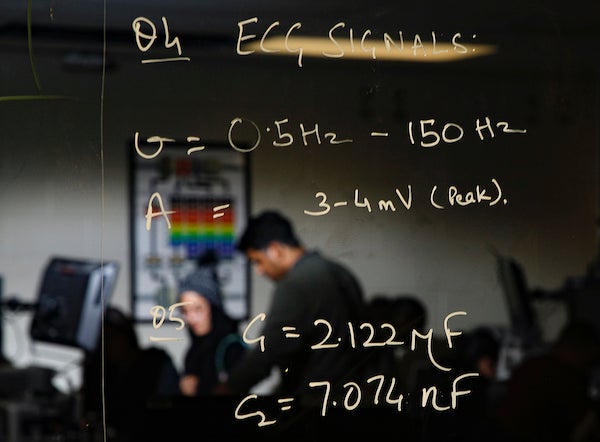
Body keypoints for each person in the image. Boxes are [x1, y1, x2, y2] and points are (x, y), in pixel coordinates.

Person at [218, 210, 370, 404]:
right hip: (353, 401)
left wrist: (225, 389)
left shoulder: (296, 284)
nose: (259, 270)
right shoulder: (341, 273)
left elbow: (267, 354)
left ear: (275, 249)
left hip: (315, 406)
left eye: (258, 261)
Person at [82, 306, 180, 440]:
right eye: (103, 340)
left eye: (112, 337)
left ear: (126, 337)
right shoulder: (100, 373)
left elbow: (170, 408)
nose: (108, 345)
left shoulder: (156, 364)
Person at [177, 249, 246, 396]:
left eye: (198, 309)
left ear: (213, 308)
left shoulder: (232, 347)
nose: (191, 318)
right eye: (185, 311)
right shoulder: (193, 351)